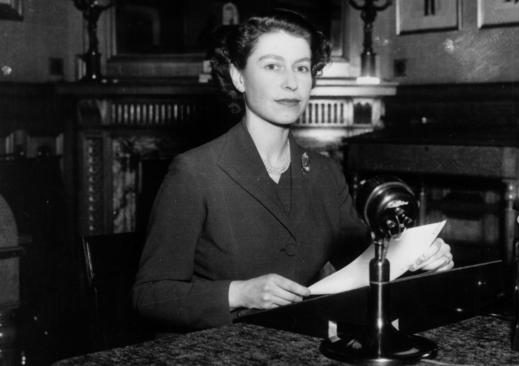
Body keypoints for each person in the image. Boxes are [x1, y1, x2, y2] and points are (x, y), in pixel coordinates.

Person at [132, 9, 454, 332]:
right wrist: (239, 292)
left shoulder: (325, 173)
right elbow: (150, 295)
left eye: (301, 68)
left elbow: (360, 266)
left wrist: (413, 260)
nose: (290, 82)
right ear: (238, 77)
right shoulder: (194, 172)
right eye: (272, 66)